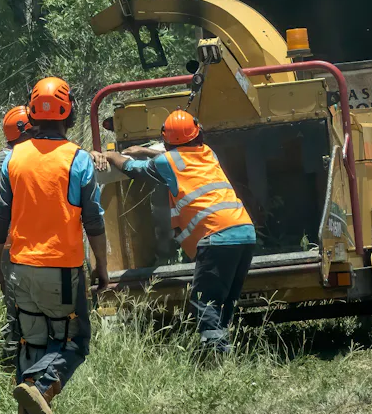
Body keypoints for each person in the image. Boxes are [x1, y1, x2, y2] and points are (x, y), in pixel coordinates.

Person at [0, 77, 109, 414]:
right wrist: (101, 266)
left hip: (19, 270)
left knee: (32, 344)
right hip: (61, 270)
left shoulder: (11, 159)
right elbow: (93, 221)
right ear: (69, 114)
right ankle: (40, 389)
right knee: (73, 342)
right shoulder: (78, 159)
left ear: (32, 113)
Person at [95, 109, 255, 354]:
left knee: (205, 301)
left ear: (166, 139)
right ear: (198, 133)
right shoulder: (208, 152)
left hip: (216, 236)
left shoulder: (167, 162)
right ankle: (225, 348)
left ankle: (214, 355)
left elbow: (132, 169)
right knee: (224, 300)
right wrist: (146, 150)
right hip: (244, 231)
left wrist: (112, 155)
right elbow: (178, 154)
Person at [0, 105, 36, 374]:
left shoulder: (2, 157)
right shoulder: (19, 158)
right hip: (27, 245)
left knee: (16, 311)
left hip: (10, 247)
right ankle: (15, 366)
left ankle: (13, 365)